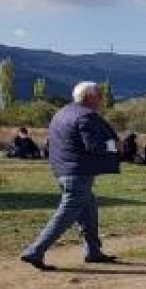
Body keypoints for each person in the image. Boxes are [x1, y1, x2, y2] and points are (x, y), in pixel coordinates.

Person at [19, 81, 121, 271]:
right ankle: (35, 251)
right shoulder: (86, 116)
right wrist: (115, 146)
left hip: (62, 170)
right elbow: (94, 145)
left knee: (89, 208)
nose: (102, 99)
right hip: (78, 172)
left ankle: (93, 251)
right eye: (99, 95)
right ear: (90, 97)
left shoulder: (61, 113)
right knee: (66, 213)